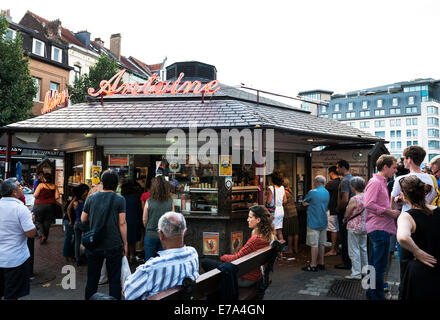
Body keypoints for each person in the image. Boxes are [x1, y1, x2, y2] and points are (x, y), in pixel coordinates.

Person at [123, 211, 199, 300]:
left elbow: (127, 292)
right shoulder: (193, 253)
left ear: (160, 234)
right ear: (185, 232)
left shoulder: (152, 268)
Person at [390, 146, 437, 287]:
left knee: (406, 268)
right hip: (428, 224)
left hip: (408, 224)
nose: (403, 161)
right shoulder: (431, 179)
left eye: (404, 158)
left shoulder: (401, 179)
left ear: (409, 159)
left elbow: (393, 206)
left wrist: (400, 201)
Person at [201, 205, 277, 286]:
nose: (247, 220)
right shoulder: (270, 236)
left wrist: (222, 257)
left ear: (258, 220)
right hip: (256, 275)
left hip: (246, 278)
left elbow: (236, 258)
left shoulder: (256, 239)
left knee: (205, 262)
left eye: (250, 217)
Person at [81, 170, 128, 300]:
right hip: (114, 244)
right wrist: (125, 243)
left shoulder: (91, 198)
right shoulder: (120, 199)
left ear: (102, 183)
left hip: (94, 243)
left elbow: (83, 218)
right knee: (114, 279)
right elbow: (122, 223)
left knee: (92, 278)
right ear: (116, 184)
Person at [396, 176, 440, 300]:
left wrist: (417, 252)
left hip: (418, 274)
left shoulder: (407, 216)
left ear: (404, 196)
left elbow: (403, 237)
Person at [363, 154, 400, 300]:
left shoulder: (380, 181)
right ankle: (377, 296)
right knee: (379, 266)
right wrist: (389, 212)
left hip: (379, 227)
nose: (395, 170)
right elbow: (368, 204)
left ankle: (371, 293)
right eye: (394, 167)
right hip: (379, 228)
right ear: (385, 167)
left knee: (374, 264)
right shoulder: (376, 182)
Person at [0, 178, 37, 300]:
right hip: (15, 260)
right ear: (14, 192)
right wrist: (31, 221)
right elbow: (31, 233)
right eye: (19, 186)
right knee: (12, 295)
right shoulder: (20, 208)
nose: (22, 187)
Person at [302, 175, 330, 272]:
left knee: (314, 244)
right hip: (323, 220)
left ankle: (313, 265)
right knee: (322, 244)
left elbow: (304, 202)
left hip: (313, 221)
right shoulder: (326, 192)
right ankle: (321, 263)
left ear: (316, 182)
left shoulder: (312, 192)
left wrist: (308, 203)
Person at [143, 175, 174, 261]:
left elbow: (144, 219)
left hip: (150, 234)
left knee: (149, 262)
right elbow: (172, 218)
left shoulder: (149, 201)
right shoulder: (170, 201)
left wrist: (148, 227)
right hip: (165, 235)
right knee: (164, 262)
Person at [342, 176, 367, 280]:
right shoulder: (367, 196)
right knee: (363, 249)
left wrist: (344, 218)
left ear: (353, 187)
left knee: (354, 250)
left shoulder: (354, 199)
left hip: (354, 226)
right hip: (364, 226)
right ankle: (365, 271)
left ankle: (356, 273)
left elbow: (348, 212)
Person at [334, 160, 354, 270]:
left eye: (338, 168)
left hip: (344, 212)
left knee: (345, 238)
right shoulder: (353, 179)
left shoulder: (345, 181)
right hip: (352, 213)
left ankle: (346, 262)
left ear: (342, 168)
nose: (337, 170)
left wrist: (338, 208)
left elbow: (344, 199)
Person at [33, 173, 61, 244]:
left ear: (44, 179)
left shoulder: (41, 185)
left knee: (38, 221)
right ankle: (45, 238)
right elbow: (57, 197)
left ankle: (41, 235)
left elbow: (35, 195)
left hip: (39, 205)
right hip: (50, 206)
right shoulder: (54, 186)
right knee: (47, 222)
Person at [121, 180, 143, 264]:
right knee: (132, 240)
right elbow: (139, 211)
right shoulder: (136, 198)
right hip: (134, 221)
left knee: (125, 239)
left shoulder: (121, 198)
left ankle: (125, 256)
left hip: (123, 220)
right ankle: (132, 256)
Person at [68, 184, 90, 266]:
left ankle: (78, 259)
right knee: (88, 240)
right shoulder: (85, 202)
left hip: (76, 223)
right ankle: (87, 256)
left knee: (77, 242)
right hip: (84, 223)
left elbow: (68, 209)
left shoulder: (75, 202)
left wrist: (70, 220)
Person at [266, 170, 287, 243]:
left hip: (273, 212)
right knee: (279, 231)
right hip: (281, 210)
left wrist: (266, 203)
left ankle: (273, 250)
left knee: (272, 231)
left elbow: (268, 201)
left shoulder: (270, 188)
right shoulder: (282, 188)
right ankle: (281, 249)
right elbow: (285, 200)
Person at [325, 165, 341, 257]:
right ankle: (337, 248)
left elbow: (326, 197)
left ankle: (333, 250)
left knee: (333, 230)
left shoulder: (330, 184)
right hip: (339, 210)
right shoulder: (341, 182)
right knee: (337, 229)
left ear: (331, 173)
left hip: (332, 210)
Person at [282, 178, 299, 257]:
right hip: (294, 213)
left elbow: (282, 203)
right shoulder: (290, 190)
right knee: (295, 232)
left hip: (288, 214)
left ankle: (290, 249)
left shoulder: (284, 192)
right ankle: (295, 248)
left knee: (289, 233)